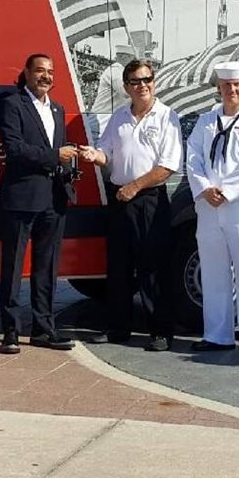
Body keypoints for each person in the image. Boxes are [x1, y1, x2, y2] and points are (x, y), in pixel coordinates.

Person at [81, 59, 182, 350]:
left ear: (154, 82)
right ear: (126, 87)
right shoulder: (118, 117)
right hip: (120, 199)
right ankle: (117, 328)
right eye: (135, 81)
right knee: (119, 267)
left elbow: (168, 166)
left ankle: (161, 332)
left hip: (149, 199)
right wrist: (93, 155)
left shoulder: (167, 117)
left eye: (147, 79)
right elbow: (107, 154)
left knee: (153, 267)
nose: (142, 85)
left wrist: (135, 186)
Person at [186, 62, 239, 359]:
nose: (231, 90)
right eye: (226, 85)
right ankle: (217, 334)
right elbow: (193, 156)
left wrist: (228, 190)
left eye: (237, 85)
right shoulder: (206, 120)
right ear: (219, 88)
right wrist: (205, 187)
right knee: (212, 272)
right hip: (208, 205)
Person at [0, 53, 78, 354]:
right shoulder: (12, 104)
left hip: (54, 198)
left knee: (47, 267)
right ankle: (10, 331)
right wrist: (56, 156)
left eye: (50, 72)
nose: (46, 76)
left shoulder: (57, 109)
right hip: (21, 197)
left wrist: (67, 167)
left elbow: (59, 150)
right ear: (27, 73)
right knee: (14, 266)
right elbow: (14, 149)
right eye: (40, 71)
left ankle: (44, 329)